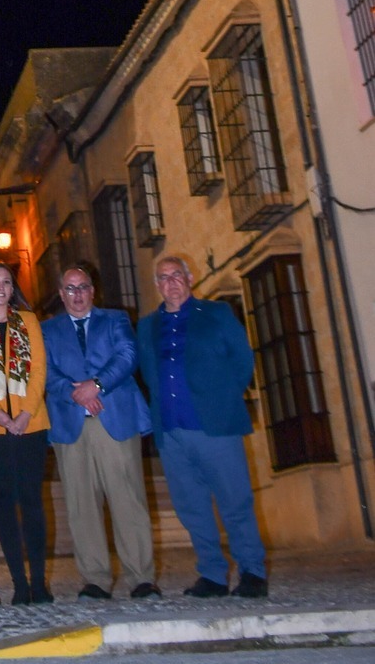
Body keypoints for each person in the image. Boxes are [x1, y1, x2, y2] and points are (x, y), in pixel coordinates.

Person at [137, 255, 267, 599]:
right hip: (172, 433)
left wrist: (221, 399)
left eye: (176, 275)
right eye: (163, 278)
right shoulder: (147, 326)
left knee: (234, 501)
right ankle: (212, 575)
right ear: (157, 286)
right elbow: (149, 374)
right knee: (191, 507)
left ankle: (252, 571)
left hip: (216, 428)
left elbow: (243, 361)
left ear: (190, 278)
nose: (171, 283)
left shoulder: (217, 314)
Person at [43, 264, 159, 601]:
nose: (77, 295)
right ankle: (95, 579)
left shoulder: (116, 319)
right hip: (71, 426)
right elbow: (45, 372)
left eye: (83, 287)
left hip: (115, 420)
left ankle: (141, 577)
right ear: (61, 294)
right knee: (81, 504)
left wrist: (97, 385)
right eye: (70, 288)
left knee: (128, 499)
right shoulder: (48, 330)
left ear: (93, 291)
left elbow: (128, 355)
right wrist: (75, 392)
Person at [0, 263, 51, 604]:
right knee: (4, 502)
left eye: (6, 281)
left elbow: (39, 370)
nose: (1, 287)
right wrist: (1, 416)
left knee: (32, 501)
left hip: (31, 425)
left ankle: (39, 581)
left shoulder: (29, 321)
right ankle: (19, 582)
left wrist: (24, 414)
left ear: (12, 288)